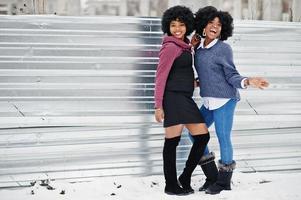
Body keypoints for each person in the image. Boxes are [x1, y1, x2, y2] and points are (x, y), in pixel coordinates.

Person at [191, 6, 269, 195]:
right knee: (194, 133)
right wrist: (196, 81)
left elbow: (231, 75)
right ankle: (211, 176)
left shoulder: (223, 49)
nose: (215, 27)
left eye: (219, 24)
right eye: (211, 23)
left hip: (225, 99)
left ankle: (224, 181)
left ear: (223, 29)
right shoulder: (198, 48)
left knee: (223, 136)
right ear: (203, 25)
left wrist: (248, 81)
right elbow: (208, 74)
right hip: (209, 100)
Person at [154, 5, 210, 196]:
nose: (177, 29)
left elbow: (181, 70)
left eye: (181, 24)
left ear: (187, 25)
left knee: (202, 137)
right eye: (173, 25)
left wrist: (192, 47)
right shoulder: (170, 47)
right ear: (167, 27)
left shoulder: (183, 46)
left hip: (184, 97)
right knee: (172, 142)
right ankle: (171, 185)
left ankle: (184, 177)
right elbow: (160, 78)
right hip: (173, 98)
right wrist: (158, 106)